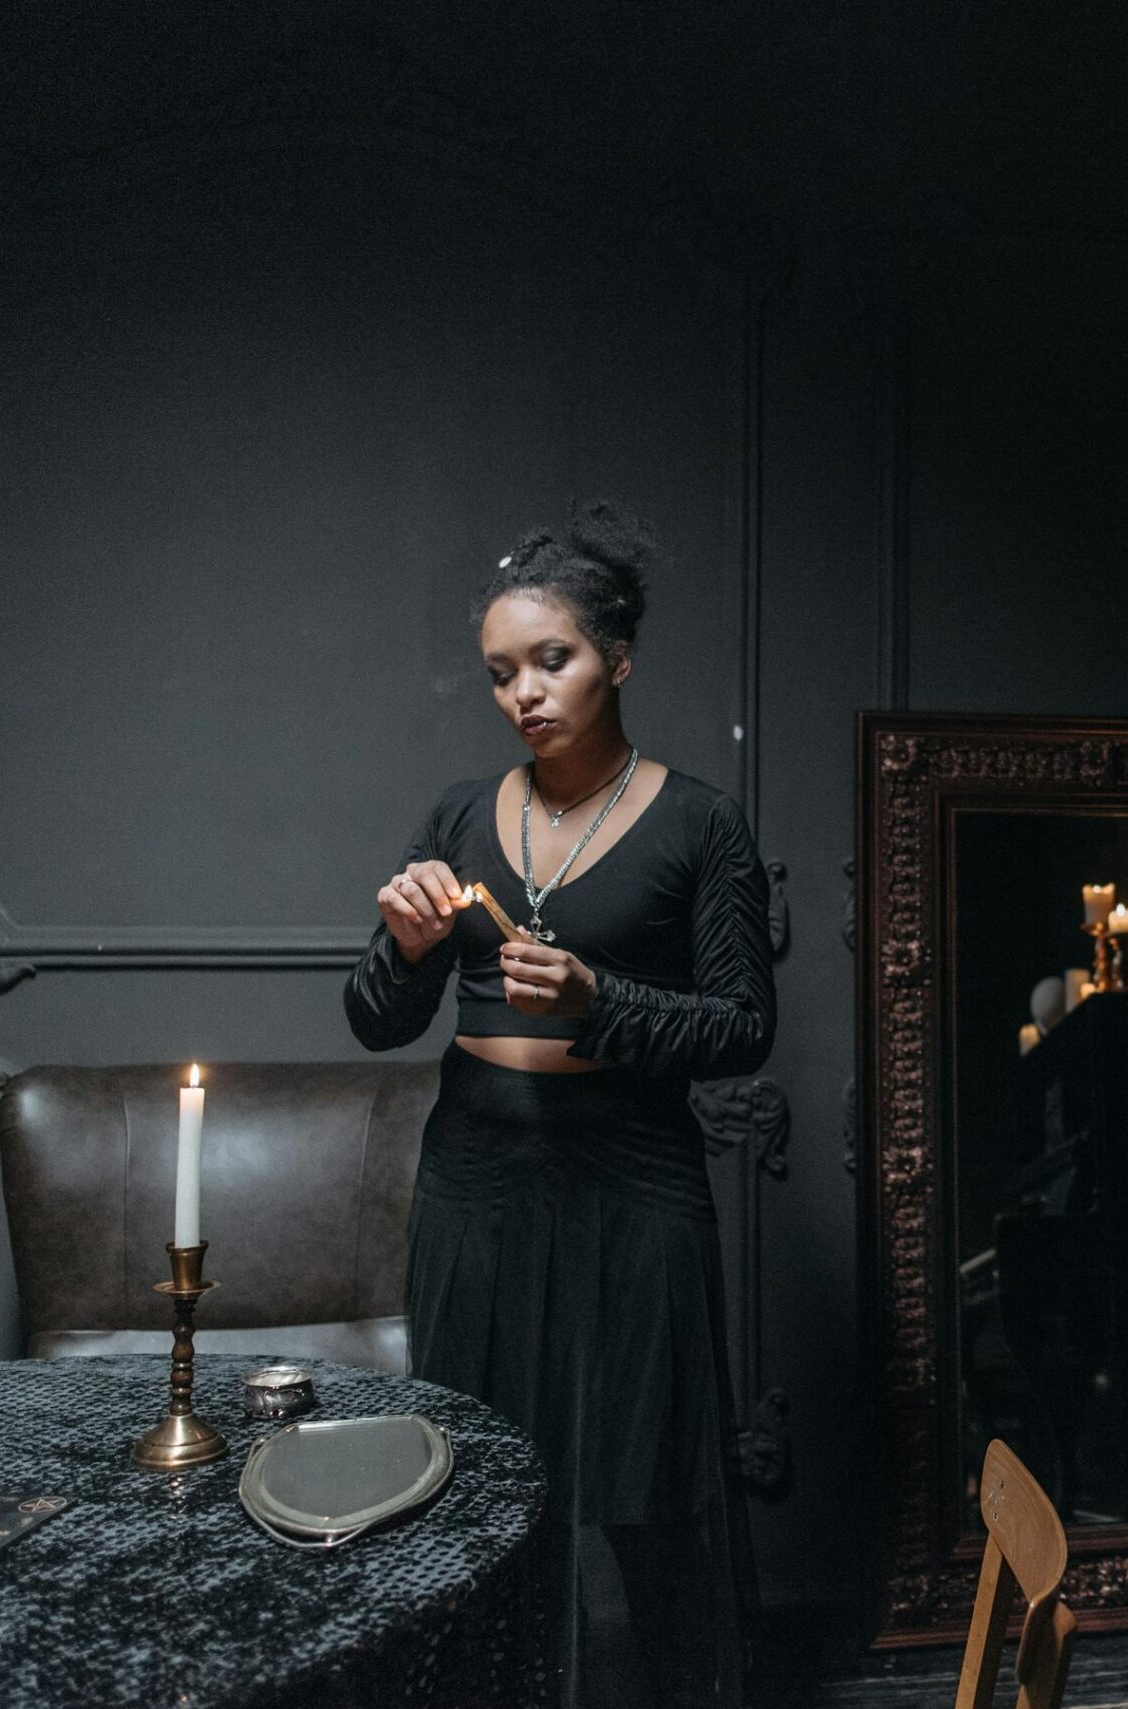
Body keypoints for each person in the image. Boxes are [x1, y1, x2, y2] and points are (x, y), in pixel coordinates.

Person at [344, 501, 771, 1707]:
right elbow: (376, 1018)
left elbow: (744, 1026)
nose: (525, 692)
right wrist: (407, 945)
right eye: (500, 674)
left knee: (650, 1490)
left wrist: (603, 998)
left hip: (635, 1175)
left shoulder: (701, 822)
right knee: (473, 1482)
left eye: (552, 659)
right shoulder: (459, 813)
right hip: (475, 1176)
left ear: (616, 657)